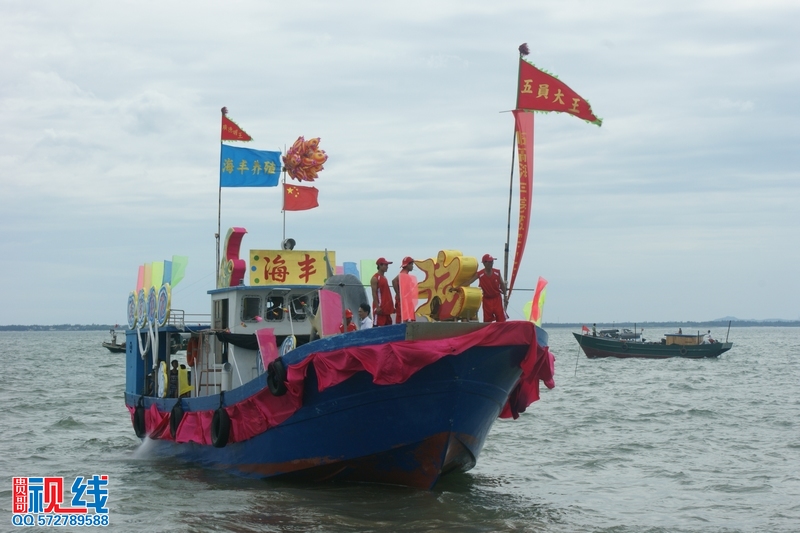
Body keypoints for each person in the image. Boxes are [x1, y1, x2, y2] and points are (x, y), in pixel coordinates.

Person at [466, 254, 507, 322]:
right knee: (487, 320)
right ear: (484, 263)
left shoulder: (497, 272)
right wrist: (457, 287)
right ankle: (489, 332)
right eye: (489, 262)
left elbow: (502, 284)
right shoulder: (480, 274)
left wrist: (505, 296)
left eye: (492, 262)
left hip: (497, 298)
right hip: (487, 300)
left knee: (501, 319)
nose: (491, 263)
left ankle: (502, 332)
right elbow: (469, 281)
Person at [371, 258, 395, 326]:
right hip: (380, 310)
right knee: (377, 328)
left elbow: (387, 293)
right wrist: (377, 307)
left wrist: (391, 307)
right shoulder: (375, 278)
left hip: (386, 310)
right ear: (380, 265)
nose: (387, 267)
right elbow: (374, 293)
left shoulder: (384, 278)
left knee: (388, 328)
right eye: (386, 265)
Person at [392, 256, 415, 323]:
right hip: (403, 301)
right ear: (408, 265)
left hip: (404, 300)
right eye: (411, 264)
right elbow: (393, 281)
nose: (412, 266)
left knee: (403, 318)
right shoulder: (403, 274)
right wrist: (398, 294)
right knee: (403, 319)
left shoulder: (403, 273)